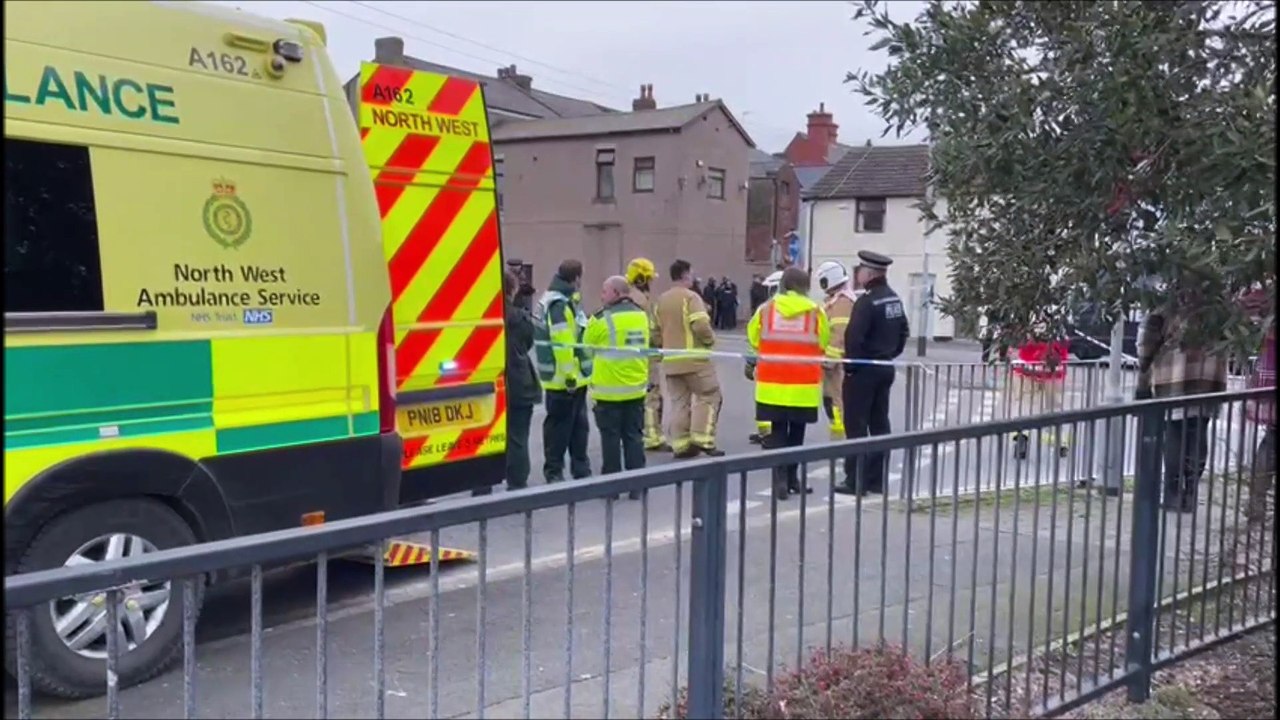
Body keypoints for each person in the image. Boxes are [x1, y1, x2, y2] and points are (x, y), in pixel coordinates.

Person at [1134, 303, 1229, 513]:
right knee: (1198, 430)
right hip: (1209, 374)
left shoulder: (1166, 300)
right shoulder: (1216, 293)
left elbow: (1147, 340)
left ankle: (1173, 492)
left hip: (1173, 374)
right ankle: (1191, 492)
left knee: (1175, 431)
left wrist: (1144, 369)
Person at [746, 267, 829, 500]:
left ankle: (779, 479)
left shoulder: (766, 309)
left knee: (777, 432)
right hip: (803, 386)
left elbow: (753, 338)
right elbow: (823, 341)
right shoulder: (816, 312)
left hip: (772, 385)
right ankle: (793, 478)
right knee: (797, 434)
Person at [836, 251, 909, 495]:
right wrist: (888, 355)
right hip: (884, 368)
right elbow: (903, 333)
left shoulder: (866, 302)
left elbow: (853, 337)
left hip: (864, 370)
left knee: (856, 426)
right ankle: (876, 480)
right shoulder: (893, 299)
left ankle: (855, 480)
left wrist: (851, 368)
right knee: (880, 424)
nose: (858, 274)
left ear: (868, 274)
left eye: (860, 270)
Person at [584, 275, 650, 499]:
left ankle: (612, 487)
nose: (602, 296)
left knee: (610, 439)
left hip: (608, 391)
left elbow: (586, 345)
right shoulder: (642, 315)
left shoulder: (601, 319)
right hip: (636, 388)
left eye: (604, 291)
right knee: (634, 437)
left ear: (615, 292)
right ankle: (637, 485)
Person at [655, 259, 725, 458]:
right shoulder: (691, 297)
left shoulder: (661, 300)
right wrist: (710, 341)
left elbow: (654, 332)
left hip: (671, 361)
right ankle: (703, 439)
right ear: (686, 275)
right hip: (695, 360)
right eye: (692, 274)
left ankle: (681, 444)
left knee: (679, 403)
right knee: (709, 395)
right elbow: (701, 325)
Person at [533, 259, 593, 483]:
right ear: (576, 278)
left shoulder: (559, 300)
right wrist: (569, 376)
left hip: (572, 378)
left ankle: (580, 470)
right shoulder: (558, 304)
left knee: (579, 427)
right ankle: (555, 472)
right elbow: (563, 343)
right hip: (563, 380)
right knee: (559, 429)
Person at [500, 268, 541, 490]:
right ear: (512, 290)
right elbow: (528, 343)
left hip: (491, 383)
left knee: (489, 437)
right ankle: (517, 483)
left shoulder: (486, 317)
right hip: (519, 382)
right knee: (518, 436)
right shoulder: (521, 318)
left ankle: (483, 485)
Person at [626, 257, 670, 452]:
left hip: (636, 355)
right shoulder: (640, 300)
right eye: (650, 278)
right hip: (645, 356)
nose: (652, 282)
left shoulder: (630, 296)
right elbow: (649, 329)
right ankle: (652, 437)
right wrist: (660, 343)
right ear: (642, 278)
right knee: (651, 396)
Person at [1008, 331, 1071, 459]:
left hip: (1029, 367)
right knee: (1054, 406)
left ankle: (1022, 438)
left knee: (1024, 404)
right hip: (1050, 369)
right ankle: (1060, 442)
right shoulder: (1061, 318)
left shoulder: (1028, 317)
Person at [815, 260, 859, 441]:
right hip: (832, 365)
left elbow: (840, 334)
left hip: (836, 366)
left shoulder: (842, 303)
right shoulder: (836, 300)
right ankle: (838, 437)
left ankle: (840, 440)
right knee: (831, 401)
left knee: (837, 402)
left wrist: (830, 359)